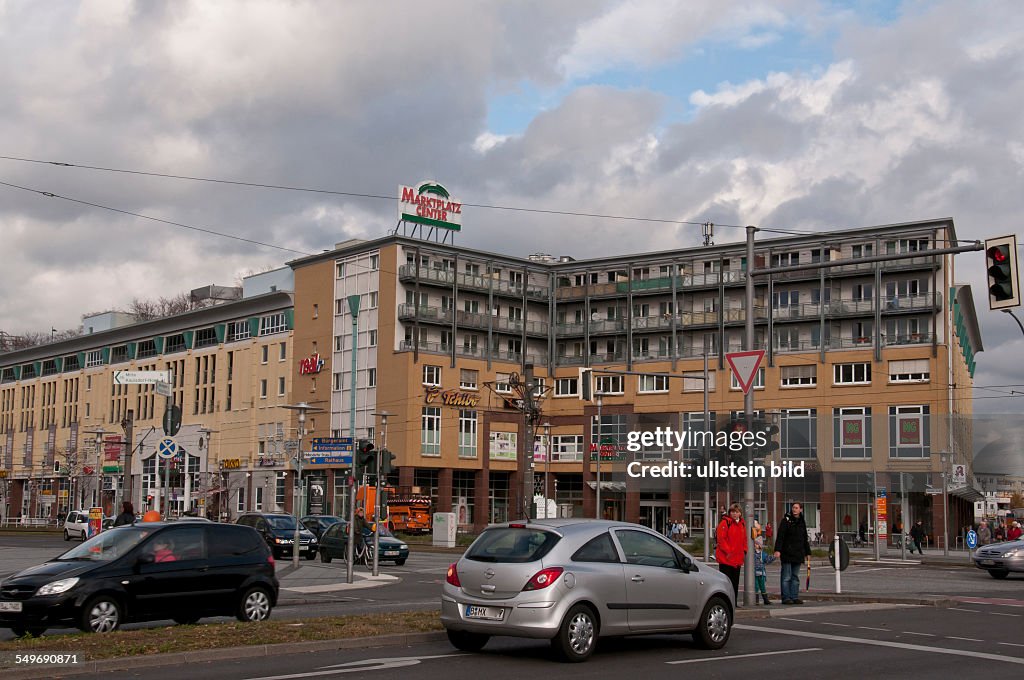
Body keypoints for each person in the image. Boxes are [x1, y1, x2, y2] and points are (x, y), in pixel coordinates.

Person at [774, 501, 811, 605]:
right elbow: (780, 536)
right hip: (787, 552)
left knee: (795, 576)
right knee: (786, 576)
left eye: (796, 508)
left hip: (798, 553)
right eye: (793, 507)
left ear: (801, 509)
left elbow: (804, 538)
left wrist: (808, 552)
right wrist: (778, 550)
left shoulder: (802, 522)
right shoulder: (786, 520)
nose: (794, 509)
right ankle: (786, 597)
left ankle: (794, 596)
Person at [714, 503, 747, 602]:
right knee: (726, 583)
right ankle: (726, 602)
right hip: (726, 559)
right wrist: (729, 551)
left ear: (740, 513)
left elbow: (744, 539)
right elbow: (721, 539)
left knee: (735, 582)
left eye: (736, 512)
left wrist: (745, 550)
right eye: (732, 512)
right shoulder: (725, 523)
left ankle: (734, 602)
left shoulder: (742, 524)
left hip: (737, 558)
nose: (734, 514)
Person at [753, 535, 776, 605]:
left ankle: (765, 599)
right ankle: (756, 600)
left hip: (761, 573)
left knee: (762, 586)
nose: (755, 545)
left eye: (757, 544)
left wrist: (774, 557)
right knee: (756, 587)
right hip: (754, 573)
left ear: (760, 545)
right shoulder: (752, 553)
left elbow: (767, 560)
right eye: (755, 544)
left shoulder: (763, 554)